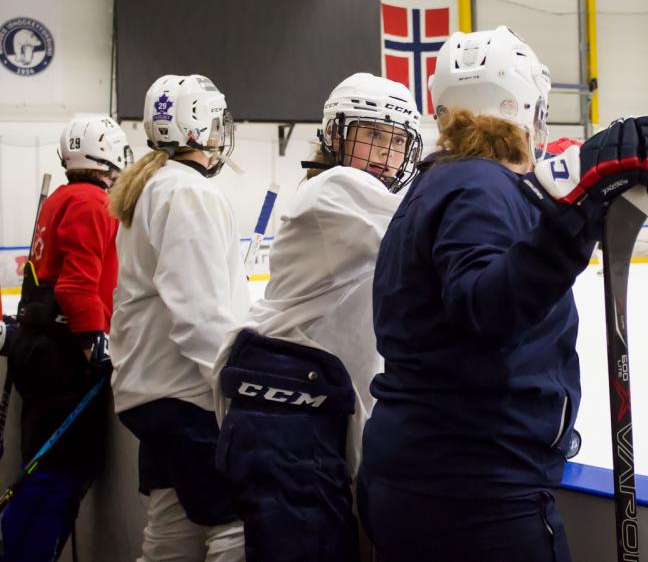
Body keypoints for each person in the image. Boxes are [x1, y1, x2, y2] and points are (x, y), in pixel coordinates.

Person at [357, 26, 648, 562]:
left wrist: (573, 212)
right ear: (527, 107)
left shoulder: (439, 181)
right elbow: (486, 309)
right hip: (475, 496)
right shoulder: (481, 184)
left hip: (424, 472)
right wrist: (573, 212)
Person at [211, 73, 423, 562]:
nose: (384, 154)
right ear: (334, 134)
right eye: (371, 135)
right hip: (289, 414)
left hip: (299, 410)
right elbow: (429, 235)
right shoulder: (338, 187)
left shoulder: (339, 191)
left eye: (395, 142)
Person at [108, 74, 248, 562]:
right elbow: (200, 313)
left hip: (151, 398)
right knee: (236, 528)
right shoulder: (189, 193)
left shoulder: (150, 186)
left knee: (172, 533)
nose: (218, 133)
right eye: (213, 122)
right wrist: (236, 387)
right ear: (196, 127)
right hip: (188, 397)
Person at [2, 116, 130, 562]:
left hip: (40, 349)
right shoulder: (93, 203)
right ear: (109, 155)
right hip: (62, 359)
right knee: (54, 477)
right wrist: (94, 342)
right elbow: (76, 288)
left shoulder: (60, 197)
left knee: (47, 471)